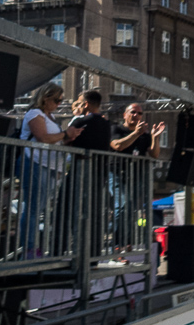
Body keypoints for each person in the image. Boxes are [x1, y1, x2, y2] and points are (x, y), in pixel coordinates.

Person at [19, 83, 81, 258]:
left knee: (38, 208)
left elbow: (54, 140)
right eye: (56, 100)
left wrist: (68, 138)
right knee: (33, 208)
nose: (58, 104)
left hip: (50, 165)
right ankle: (29, 249)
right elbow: (44, 138)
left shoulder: (51, 117)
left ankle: (33, 247)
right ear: (45, 98)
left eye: (60, 100)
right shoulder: (34, 114)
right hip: (36, 162)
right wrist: (65, 134)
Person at [109, 103, 165, 251]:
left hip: (135, 176)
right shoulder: (116, 129)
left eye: (139, 114)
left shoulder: (144, 135)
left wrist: (155, 137)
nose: (136, 116)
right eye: (133, 112)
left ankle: (126, 241)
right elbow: (117, 146)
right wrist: (135, 134)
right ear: (125, 115)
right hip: (116, 173)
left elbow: (154, 154)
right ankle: (117, 243)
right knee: (122, 205)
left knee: (130, 209)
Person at [64, 89, 112, 256]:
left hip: (81, 171)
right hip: (100, 172)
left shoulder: (81, 121)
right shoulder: (107, 124)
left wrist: (75, 120)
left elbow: (66, 141)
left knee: (70, 210)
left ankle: (74, 252)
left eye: (79, 102)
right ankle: (93, 255)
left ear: (85, 104)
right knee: (94, 213)